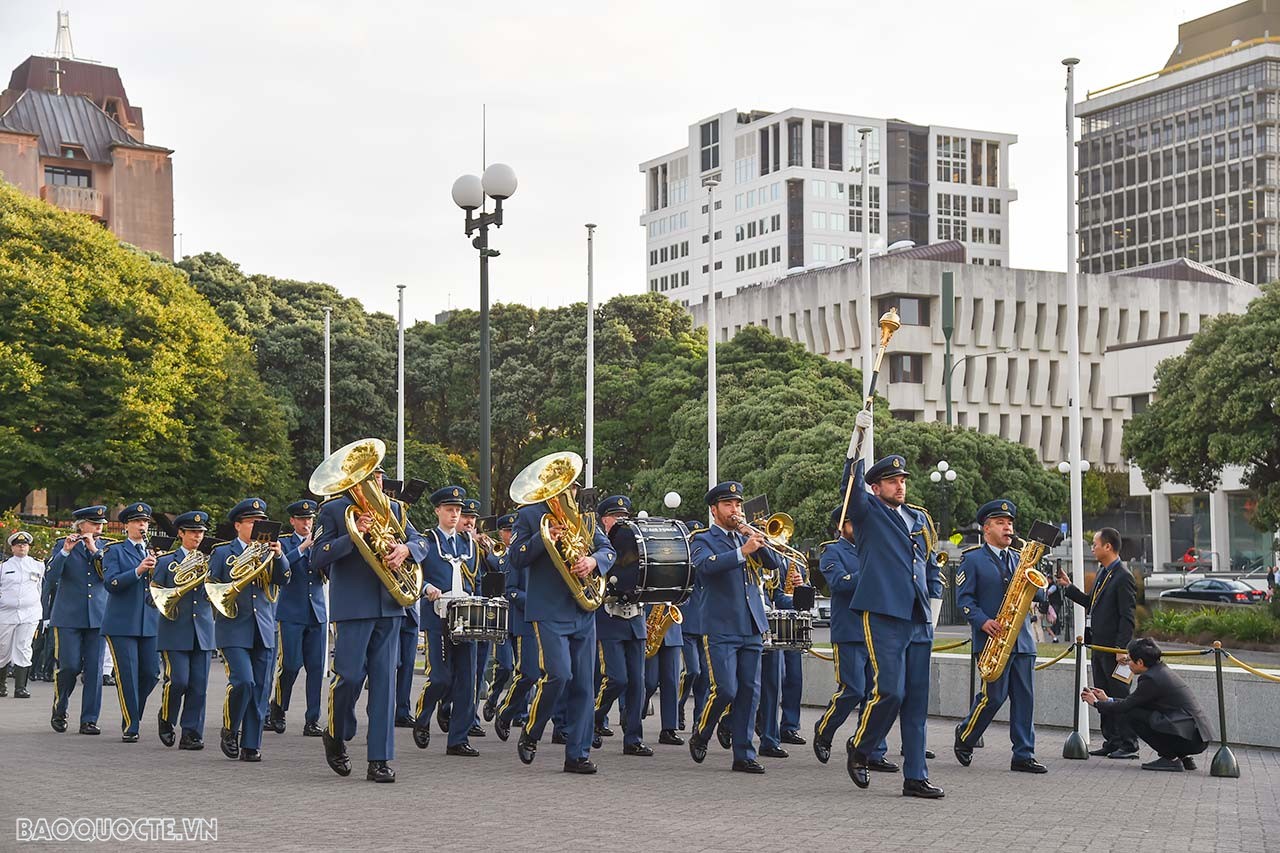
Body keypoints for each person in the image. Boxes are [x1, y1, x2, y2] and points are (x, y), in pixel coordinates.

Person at [841, 421, 946, 799]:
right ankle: (862, 747)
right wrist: (855, 446)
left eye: (902, 480)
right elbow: (848, 491)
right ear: (876, 486)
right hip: (884, 612)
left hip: (918, 615)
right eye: (891, 480)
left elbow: (930, 562)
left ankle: (915, 776)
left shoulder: (918, 517)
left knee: (917, 700)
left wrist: (933, 600)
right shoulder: (867, 511)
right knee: (890, 691)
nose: (900, 485)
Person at [314, 470, 418, 783]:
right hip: (353, 607)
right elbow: (317, 557)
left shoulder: (394, 508)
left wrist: (407, 550)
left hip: (389, 605)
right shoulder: (333, 510)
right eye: (369, 478)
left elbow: (419, 539)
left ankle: (379, 760)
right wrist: (354, 535)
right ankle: (336, 732)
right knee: (349, 677)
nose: (377, 484)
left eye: (379, 478)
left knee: (385, 684)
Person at [512, 477, 617, 774]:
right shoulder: (530, 515)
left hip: (582, 607)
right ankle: (532, 731)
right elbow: (516, 558)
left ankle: (577, 755)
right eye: (562, 487)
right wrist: (544, 538)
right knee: (559, 675)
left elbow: (608, 550)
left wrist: (594, 563)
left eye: (571, 487)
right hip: (548, 608)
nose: (568, 493)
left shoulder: (586, 517)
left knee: (585, 684)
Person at [687, 481, 780, 774]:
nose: (736, 510)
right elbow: (705, 567)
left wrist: (757, 540)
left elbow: (774, 564)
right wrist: (743, 551)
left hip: (751, 623)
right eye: (728, 505)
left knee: (750, 692)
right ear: (714, 510)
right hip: (720, 624)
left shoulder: (748, 536)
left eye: (738, 504)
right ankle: (702, 732)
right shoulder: (702, 539)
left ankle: (744, 754)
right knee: (726, 689)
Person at [953, 500, 1047, 773]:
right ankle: (965, 735)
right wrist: (983, 622)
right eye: (1001, 523)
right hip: (992, 639)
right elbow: (964, 600)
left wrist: (1043, 583)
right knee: (993, 698)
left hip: (1023, 641)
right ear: (986, 529)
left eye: (1010, 523)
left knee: (1024, 699)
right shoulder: (972, 559)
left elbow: (1038, 594)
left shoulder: (1021, 559)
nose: (1008, 528)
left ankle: (1023, 755)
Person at [209, 498, 290, 762]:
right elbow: (212, 589)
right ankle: (230, 728)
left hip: (264, 627)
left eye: (261, 522)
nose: (258, 526)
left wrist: (278, 556)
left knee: (260, 689)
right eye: (253, 522)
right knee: (243, 681)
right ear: (238, 525)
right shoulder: (222, 553)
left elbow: (283, 579)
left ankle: (251, 744)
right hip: (233, 627)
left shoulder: (270, 551)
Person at [812, 506, 893, 772]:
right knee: (853, 689)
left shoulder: (872, 548)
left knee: (877, 694)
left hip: (877, 631)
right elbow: (839, 584)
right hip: (850, 631)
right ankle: (825, 729)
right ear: (840, 526)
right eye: (852, 522)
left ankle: (871, 750)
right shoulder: (832, 551)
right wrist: (872, 570)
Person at [1056, 527, 1139, 759]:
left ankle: (1129, 744)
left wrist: (1121, 649)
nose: (1092, 548)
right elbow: (1091, 603)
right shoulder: (1104, 573)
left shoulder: (1123, 576)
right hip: (1099, 646)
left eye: (1095, 544)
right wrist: (1069, 587)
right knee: (1102, 693)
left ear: (1108, 547)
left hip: (1114, 650)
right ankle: (1111, 740)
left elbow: (1127, 617)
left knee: (1119, 695)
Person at [413, 486, 481, 756]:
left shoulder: (468, 543)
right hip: (437, 615)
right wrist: (427, 587)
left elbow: (475, 579)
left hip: (465, 617)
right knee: (440, 677)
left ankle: (458, 739)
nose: (455, 515)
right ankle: (422, 715)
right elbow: (415, 574)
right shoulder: (425, 541)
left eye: (458, 510)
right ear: (437, 511)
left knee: (467, 679)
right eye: (450, 510)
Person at [1082, 637, 1214, 772]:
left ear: (1140, 662)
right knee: (1138, 711)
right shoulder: (1160, 671)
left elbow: (1126, 707)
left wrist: (1096, 703)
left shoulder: (1151, 679)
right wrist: (1107, 699)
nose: (1128, 664)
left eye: (1130, 660)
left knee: (1131, 714)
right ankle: (1183, 758)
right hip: (1196, 737)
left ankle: (1171, 759)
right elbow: (1132, 701)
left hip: (1190, 739)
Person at [592, 495, 653, 757]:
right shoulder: (596, 546)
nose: (621, 522)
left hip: (635, 619)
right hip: (609, 618)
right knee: (616, 679)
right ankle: (594, 717)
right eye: (616, 517)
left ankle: (633, 738)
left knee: (638, 683)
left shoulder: (637, 547)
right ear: (604, 520)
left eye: (624, 517)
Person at [153, 510, 215, 749]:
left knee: (199, 686)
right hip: (174, 630)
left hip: (203, 630)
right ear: (181, 533)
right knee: (178, 681)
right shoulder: (167, 562)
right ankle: (167, 718)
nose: (197, 537)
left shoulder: (210, 560)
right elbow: (154, 596)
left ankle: (191, 733)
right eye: (192, 532)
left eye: (200, 532)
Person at [47, 505, 111, 735]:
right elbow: (51, 577)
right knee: (69, 666)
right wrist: (65, 551)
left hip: (97, 617)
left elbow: (109, 576)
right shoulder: (63, 545)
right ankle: (60, 707)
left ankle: (89, 720)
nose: (99, 528)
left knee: (94, 670)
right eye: (94, 524)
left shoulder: (105, 547)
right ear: (81, 525)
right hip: (68, 617)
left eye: (101, 524)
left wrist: (94, 549)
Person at [101, 502, 162, 743]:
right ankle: (131, 723)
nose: (142, 526)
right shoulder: (114, 551)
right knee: (127, 674)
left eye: (145, 522)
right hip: (121, 622)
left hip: (149, 621)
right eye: (137, 522)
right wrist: (138, 570)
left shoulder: (151, 551)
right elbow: (111, 583)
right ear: (126, 525)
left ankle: (133, 712)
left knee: (151, 673)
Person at [270, 499, 326, 737]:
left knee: (316, 669)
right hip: (291, 613)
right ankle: (278, 708)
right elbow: (280, 570)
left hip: (317, 612)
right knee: (290, 665)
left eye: (310, 519)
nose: (307, 523)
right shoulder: (284, 542)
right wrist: (303, 547)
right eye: (302, 519)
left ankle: (312, 719)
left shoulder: (321, 541)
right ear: (293, 521)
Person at [480, 512, 518, 723]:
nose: (510, 534)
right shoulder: (497, 555)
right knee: (505, 667)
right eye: (506, 531)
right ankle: (493, 698)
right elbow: (497, 566)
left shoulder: (522, 553)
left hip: (521, 616)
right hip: (502, 617)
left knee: (523, 669)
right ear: (501, 533)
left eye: (513, 531)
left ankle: (517, 711)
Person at [0, 531, 45, 699]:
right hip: (6, 613)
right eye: (18, 544)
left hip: (29, 613)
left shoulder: (37, 565)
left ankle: (20, 687)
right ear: (12, 548)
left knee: (24, 647)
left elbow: (42, 588)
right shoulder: (4, 566)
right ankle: (1, 685)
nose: (21, 546)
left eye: (24, 544)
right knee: (3, 649)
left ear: (29, 547)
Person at [677, 518, 709, 733]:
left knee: (705, 676)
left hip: (705, 623)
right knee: (692, 671)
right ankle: (677, 707)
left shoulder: (704, 558)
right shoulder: (682, 562)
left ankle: (700, 718)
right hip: (687, 623)